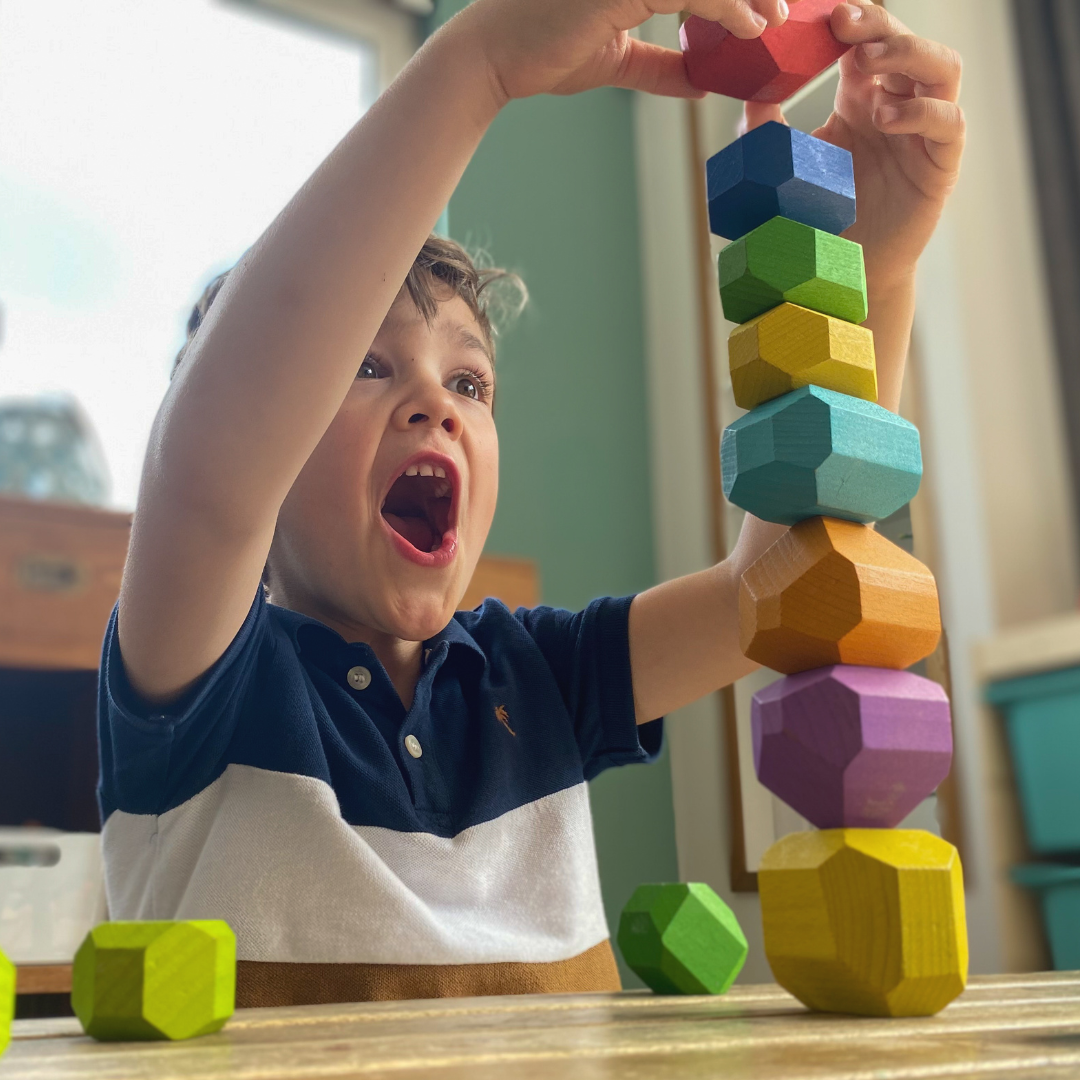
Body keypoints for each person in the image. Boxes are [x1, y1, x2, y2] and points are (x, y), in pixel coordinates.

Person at [98, 0, 965, 1006]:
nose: (435, 402)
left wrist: (874, 272)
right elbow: (212, 471)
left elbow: (771, 596)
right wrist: (480, 65)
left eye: (470, 384)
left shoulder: (534, 679)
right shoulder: (205, 682)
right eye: (366, 365)